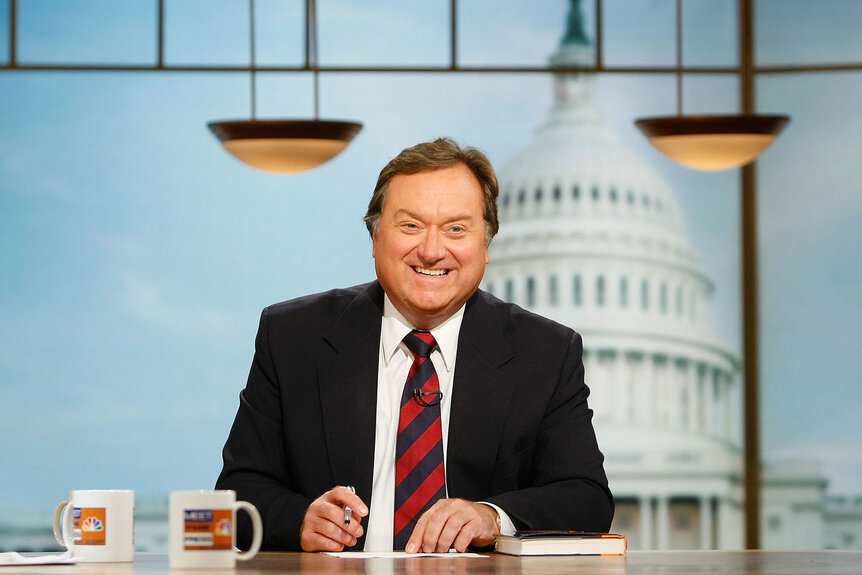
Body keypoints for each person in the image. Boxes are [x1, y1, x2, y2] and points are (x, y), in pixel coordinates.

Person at [216, 137, 614, 553]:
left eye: (456, 229)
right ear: (374, 238)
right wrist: (299, 520)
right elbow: (238, 493)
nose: (431, 249)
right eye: (410, 226)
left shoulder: (545, 353)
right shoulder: (293, 337)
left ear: (486, 245)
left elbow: (586, 498)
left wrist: (491, 517)